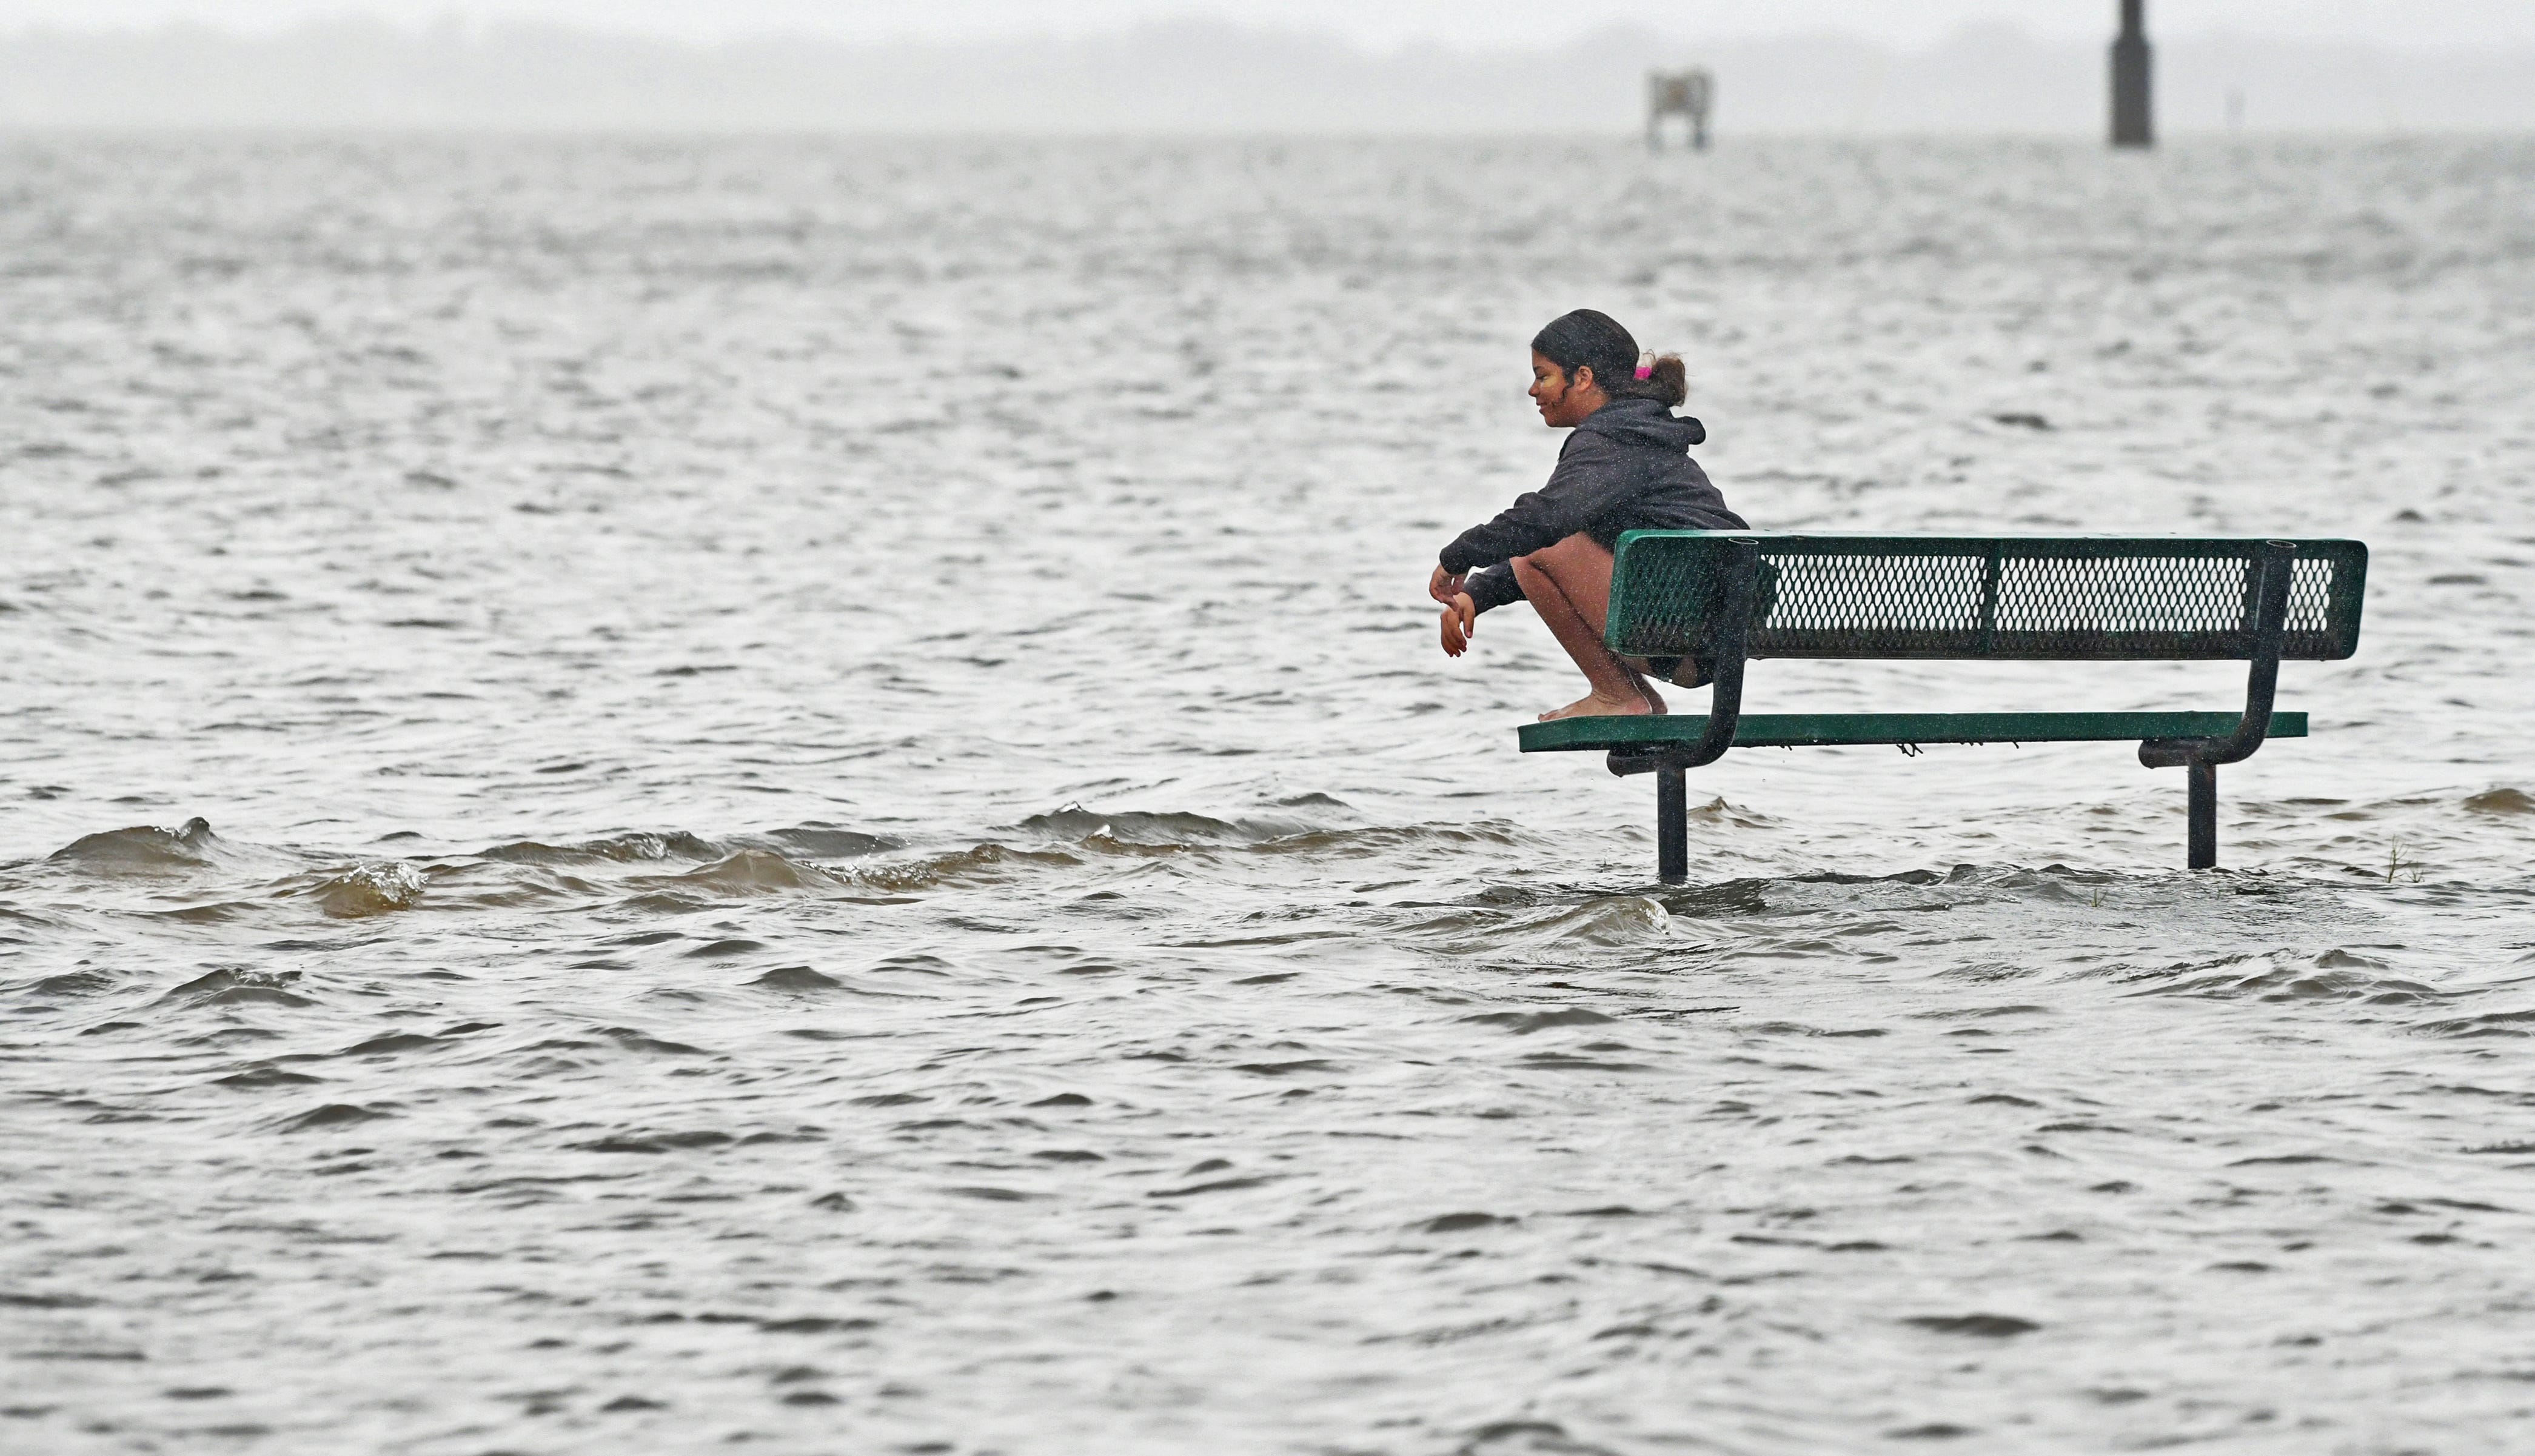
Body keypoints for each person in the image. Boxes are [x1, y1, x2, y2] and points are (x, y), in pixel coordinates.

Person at [1428, 309, 1747, 720]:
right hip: (1717, 638)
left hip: (1681, 637)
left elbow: (1546, 524)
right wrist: (1479, 593)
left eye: (1542, 376)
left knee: (1536, 543)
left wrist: (1457, 556)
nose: (1531, 390)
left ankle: (1619, 696)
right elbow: (1559, 540)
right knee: (1542, 542)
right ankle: (1634, 700)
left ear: (1581, 378)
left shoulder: (1609, 440)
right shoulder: (1642, 434)